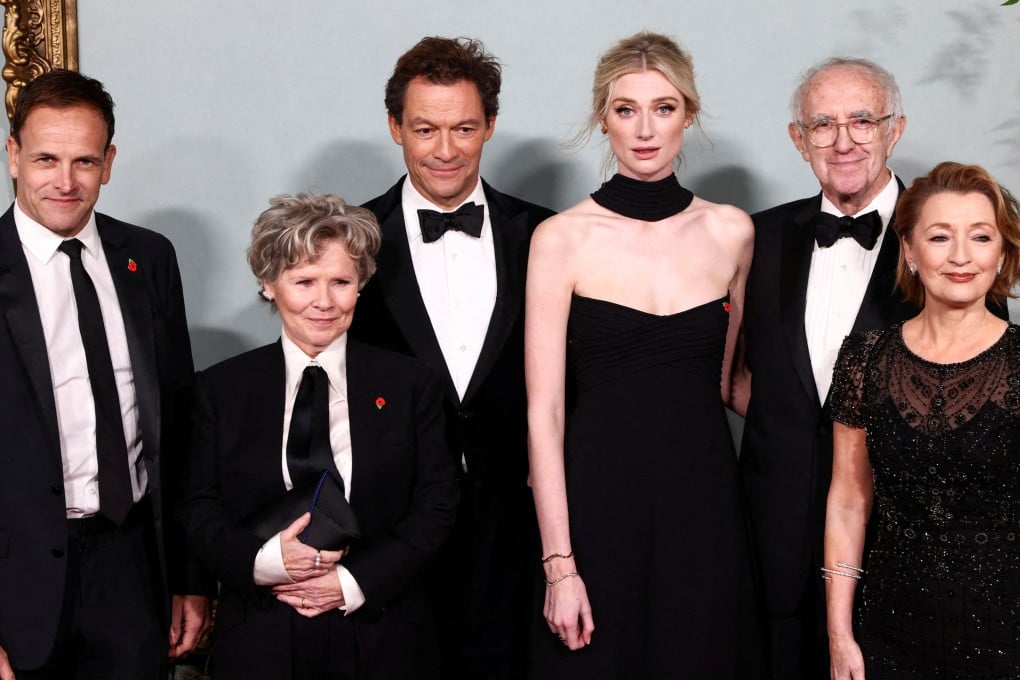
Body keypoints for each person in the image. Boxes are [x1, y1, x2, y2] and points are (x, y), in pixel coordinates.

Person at [526, 32, 763, 678]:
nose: (645, 129)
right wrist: (560, 566)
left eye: (663, 107)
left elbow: (730, 382)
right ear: (603, 118)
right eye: (626, 109)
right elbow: (544, 414)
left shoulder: (733, 232)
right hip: (597, 512)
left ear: (689, 113)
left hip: (705, 508)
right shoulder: (560, 239)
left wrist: (838, 438)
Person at [178, 193, 459, 679]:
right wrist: (267, 561)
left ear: (361, 285)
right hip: (260, 634)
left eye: (341, 282)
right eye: (304, 281)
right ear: (269, 284)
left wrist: (352, 581)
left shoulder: (412, 385)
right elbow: (196, 507)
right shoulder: (221, 389)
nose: (324, 302)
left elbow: (437, 505)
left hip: (384, 632)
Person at [348, 36, 554, 679]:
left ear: (490, 125)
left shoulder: (547, 235)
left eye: (464, 128)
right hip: (390, 528)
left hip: (518, 527)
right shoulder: (348, 241)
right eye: (425, 129)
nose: (445, 150)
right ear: (395, 128)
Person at [0, 69, 210, 679]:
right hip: (15, 580)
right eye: (46, 159)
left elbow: (180, 429)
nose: (65, 182)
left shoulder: (150, 258)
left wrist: (190, 578)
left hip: (132, 567)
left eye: (85, 161)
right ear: (13, 156)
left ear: (109, 163)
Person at [736, 57, 919, 678]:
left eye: (862, 120)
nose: (843, 142)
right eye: (823, 125)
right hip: (774, 531)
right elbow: (727, 372)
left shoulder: (944, 235)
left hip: (901, 540)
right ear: (798, 138)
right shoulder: (758, 238)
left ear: (895, 129)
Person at [825, 161, 1020, 678]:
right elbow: (847, 502)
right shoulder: (864, 357)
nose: (961, 256)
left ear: (1002, 254)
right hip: (889, 630)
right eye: (940, 236)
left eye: (981, 237)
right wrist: (839, 634)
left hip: (1007, 634)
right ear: (909, 251)